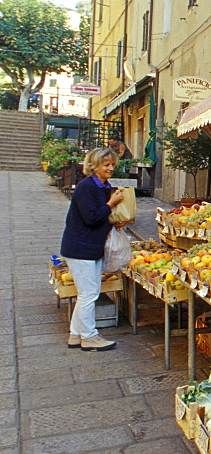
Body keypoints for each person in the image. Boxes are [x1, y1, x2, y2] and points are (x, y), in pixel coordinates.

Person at [60, 148, 126, 351]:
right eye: (106, 165)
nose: (111, 168)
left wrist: (115, 221)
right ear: (93, 166)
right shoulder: (86, 187)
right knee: (89, 294)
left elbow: (101, 218)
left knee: (87, 293)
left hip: (92, 247)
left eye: (112, 164)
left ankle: (76, 334)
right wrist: (111, 204)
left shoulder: (103, 186)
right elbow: (92, 217)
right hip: (81, 248)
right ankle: (89, 337)